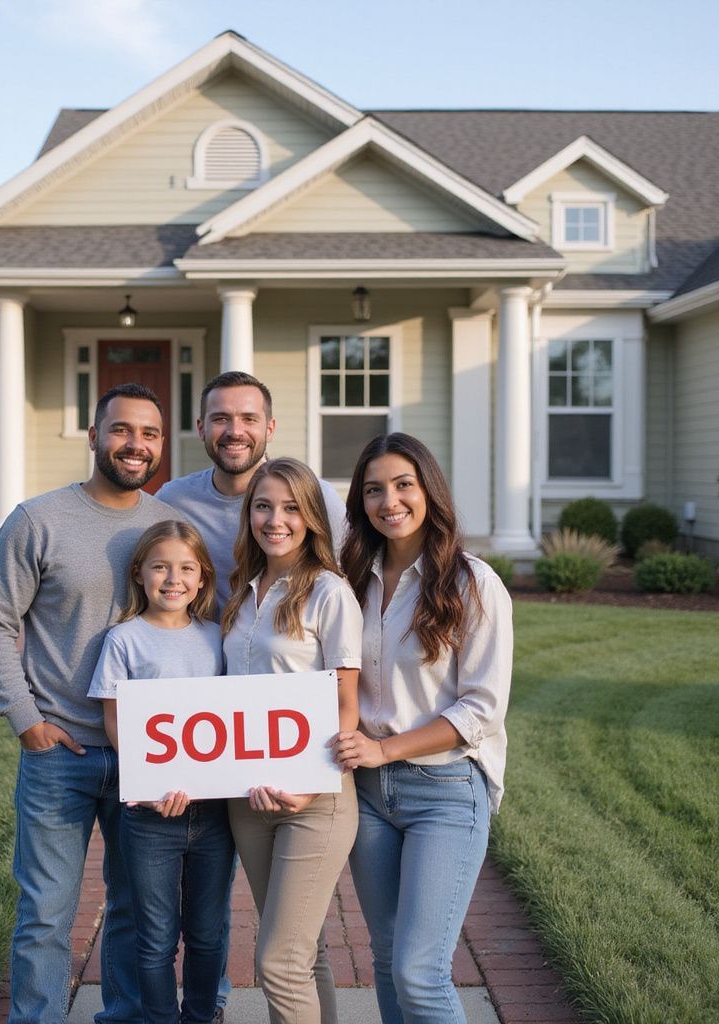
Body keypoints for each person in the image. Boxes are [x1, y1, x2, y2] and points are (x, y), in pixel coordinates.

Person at [0, 383, 176, 1024]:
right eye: (120, 430)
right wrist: (25, 719)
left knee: (133, 909)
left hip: (145, 752)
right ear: (93, 436)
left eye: (148, 433)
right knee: (46, 912)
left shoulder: (167, 528)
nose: (135, 444)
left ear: (161, 444)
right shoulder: (38, 520)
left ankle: (120, 1015)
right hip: (60, 750)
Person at [332, 433, 513, 1024]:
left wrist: (384, 749)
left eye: (404, 485)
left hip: (445, 790)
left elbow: (480, 710)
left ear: (429, 491)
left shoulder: (473, 582)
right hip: (366, 793)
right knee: (386, 960)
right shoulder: (349, 581)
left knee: (419, 969)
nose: (390, 501)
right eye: (374, 489)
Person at [222, 457, 362, 1024]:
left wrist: (306, 787)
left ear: (310, 517)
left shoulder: (329, 593)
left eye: (289, 507)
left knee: (278, 963)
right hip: (248, 799)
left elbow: (346, 706)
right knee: (306, 952)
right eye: (262, 505)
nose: (274, 519)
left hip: (314, 801)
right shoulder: (241, 592)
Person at [88, 519, 235, 1024]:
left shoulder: (219, 638)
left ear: (202, 578)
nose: (173, 579)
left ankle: (201, 1016)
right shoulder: (124, 640)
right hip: (151, 817)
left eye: (186, 568)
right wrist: (148, 787)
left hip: (215, 814)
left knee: (208, 932)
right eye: (161, 567)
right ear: (140, 573)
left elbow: (237, 718)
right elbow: (115, 722)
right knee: (155, 937)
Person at [158, 371, 347, 608]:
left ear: (270, 428)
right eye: (220, 419)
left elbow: (350, 582)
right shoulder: (173, 500)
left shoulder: (316, 496)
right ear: (201, 428)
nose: (235, 431)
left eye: (249, 419)